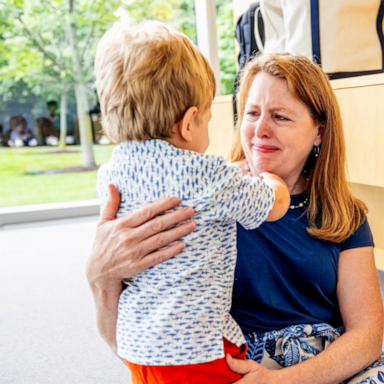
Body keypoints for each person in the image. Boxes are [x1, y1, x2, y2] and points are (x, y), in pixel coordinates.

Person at [87, 53, 384, 384]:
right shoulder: (200, 203)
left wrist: (281, 382)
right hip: (232, 365)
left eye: (281, 117)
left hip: (323, 367)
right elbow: (132, 338)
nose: (260, 130)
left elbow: (367, 338)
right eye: (252, 113)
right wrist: (99, 274)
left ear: (319, 132)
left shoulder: (345, 215)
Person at [93, 21, 289, 384]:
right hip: (197, 350)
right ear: (189, 123)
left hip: (138, 346)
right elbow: (271, 205)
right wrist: (270, 181)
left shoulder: (111, 173)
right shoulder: (209, 175)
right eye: (208, 118)